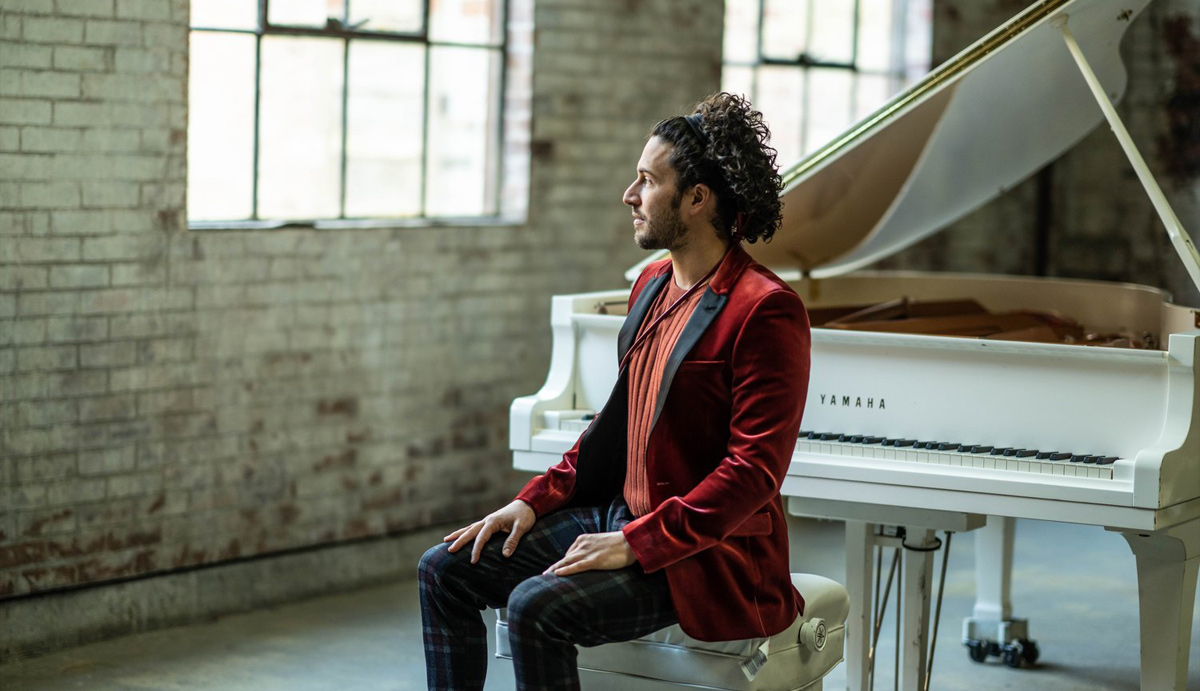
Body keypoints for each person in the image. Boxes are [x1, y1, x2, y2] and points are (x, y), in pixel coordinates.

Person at [418, 92, 811, 691]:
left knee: (533, 608)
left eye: (647, 181)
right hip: (621, 514)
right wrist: (530, 502)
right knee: (443, 571)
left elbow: (753, 473)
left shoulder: (766, 310)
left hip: (702, 554)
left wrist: (638, 541)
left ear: (697, 199)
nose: (630, 195)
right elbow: (616, 425)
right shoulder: (652, 284)